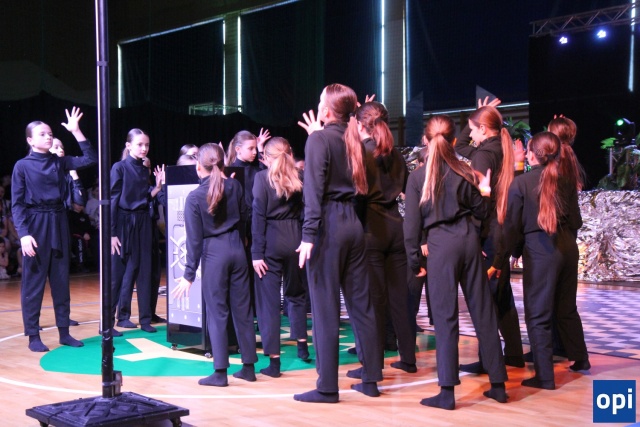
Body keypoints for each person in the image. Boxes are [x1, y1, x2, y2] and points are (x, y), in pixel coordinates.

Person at [404, 114, 508, 410]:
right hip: (468, 242)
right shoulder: (465, 171)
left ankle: (447, 392)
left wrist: (414, 261)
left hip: (441, 246)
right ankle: (498, 385)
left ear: (426, 141)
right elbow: (482, 212)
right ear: (453, 140)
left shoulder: (418, 177)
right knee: (483, 312)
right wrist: (484, 192)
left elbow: (411, 227)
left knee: (445, 317)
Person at [295, 83, 383, 403]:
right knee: (362, 306)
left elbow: (314, 190)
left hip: (328, 227)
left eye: (321, 100)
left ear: (328, 110)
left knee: (325, 309)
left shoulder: (319, 139)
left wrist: (308, 235)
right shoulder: (354, 140)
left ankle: (327, 387)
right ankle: (370, 379)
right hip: (353, 225)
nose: (318, 104)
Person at [502, 131, 590, 390]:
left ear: (532, 155)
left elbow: (512, 227)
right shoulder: (566, 180)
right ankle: (580, 358)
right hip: (567, 248)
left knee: (538, 314)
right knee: (566, 307)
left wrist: (509, 254)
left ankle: (545, 377)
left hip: (541, 250)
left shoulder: (521, 183)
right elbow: (576, 221)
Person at [171, 143, 258, 387]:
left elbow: (194, 240)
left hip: (214, 253)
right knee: (243, 310)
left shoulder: (195, 197)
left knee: (217, 313)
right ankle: (248, 368)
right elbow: (245, 215)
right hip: (237, 249)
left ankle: (220, 372)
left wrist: (188, 275)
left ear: (198, 166)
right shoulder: (234, 186)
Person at [11, 107, 96, 351]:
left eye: (50, 133)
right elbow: (17, 204)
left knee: (60, 280)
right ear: (30, 140)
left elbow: (91, 158)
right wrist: (24, 234)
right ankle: (33, 336)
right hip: (35, 224)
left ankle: (64, 332)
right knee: (34, 283)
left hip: (58, 221)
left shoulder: (59, 162)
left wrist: (76, 131)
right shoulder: (22, 166)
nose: (48, 136)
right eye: (42, 134)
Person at [344, 101, 416, 374]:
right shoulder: (395, 154)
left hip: (372, 229)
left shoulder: (362, 153)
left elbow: (358, 197)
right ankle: (408, 358)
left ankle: (372, 367)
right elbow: (406, 190)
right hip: (396, 227)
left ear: (360, 124)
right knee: (400, 299)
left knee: (373, 301)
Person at [455, 100, 525, 372]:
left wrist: (474, 236)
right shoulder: (502, 149)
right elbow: (461, 147)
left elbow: (480, 202)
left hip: (489, 232)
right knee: (502, 297)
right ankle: (514, 354)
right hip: (504, 229)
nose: (470, 135)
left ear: (484, 129)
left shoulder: (484, 156)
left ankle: (489, 362)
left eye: (473, 129)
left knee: (485, 302)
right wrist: (475, 116)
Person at [251, 137, 309, 378]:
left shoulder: (262, 178)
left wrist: (256, 253)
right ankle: (303, 346)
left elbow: (258, 216)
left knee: (270, 303)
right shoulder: (300, 176)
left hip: (271, 241)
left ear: (266, 156)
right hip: (295, 239)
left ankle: (274, 363)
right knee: (296, 294)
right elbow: (307, 212)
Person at [110, 128, 156, 335]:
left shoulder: (144, 169)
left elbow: (144, 198)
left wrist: (158, 187)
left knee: (144, 269)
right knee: (117, 273)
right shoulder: (119, 167)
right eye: (140, 144)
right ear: (128, 146)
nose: (144, 148)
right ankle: (108, 323)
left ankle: (145, 319)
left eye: (146, 145)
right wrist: (112, 233)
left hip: (143, 221)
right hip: (123, 221)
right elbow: (113, 200)